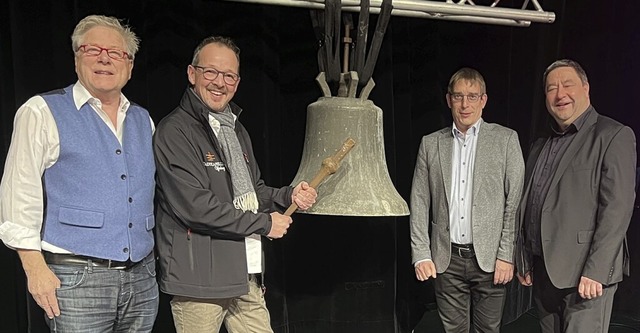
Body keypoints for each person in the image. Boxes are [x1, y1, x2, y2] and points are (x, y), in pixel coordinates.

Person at [0, 15, 158, 332]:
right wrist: (34, 269)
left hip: (142, 276)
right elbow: (19, 194)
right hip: (76, 279)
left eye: (115, 53)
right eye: (92, 49)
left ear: (129, 66)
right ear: (76, 59)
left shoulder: (144, 120)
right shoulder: (41, 111)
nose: (104, 58)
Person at [153, 36, 317, 333]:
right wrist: (265, 224)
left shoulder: (236, 129)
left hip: (245, 275)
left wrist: (288, 195)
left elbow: (253, 192)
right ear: (192, 74)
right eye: (211, 72)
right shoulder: (175, 131)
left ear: (237, 82)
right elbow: (197, 208)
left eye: (229, 75)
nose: (220, 82)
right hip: (199, 281)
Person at [515, 59, 636, 332]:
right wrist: (524, 257)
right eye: (551, 88)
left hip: (585, 276)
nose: (560, 94)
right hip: (545, 273)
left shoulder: (613, 135)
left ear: (586, 88)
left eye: (567, 85)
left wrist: (596, 271)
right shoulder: (539, 144)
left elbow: (617, 210)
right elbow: (529, 204)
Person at [410, 67, 525, 333]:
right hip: (445, 258)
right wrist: (421, 254)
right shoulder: (430, 144)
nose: (465, 104)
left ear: (483, 100)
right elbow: (419, 202)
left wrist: (506, 255)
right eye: (459, 96)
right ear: (449, 99)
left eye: (472, 96)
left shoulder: (506, 140)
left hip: (489, 260)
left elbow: (514, 203)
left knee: (488, 330)